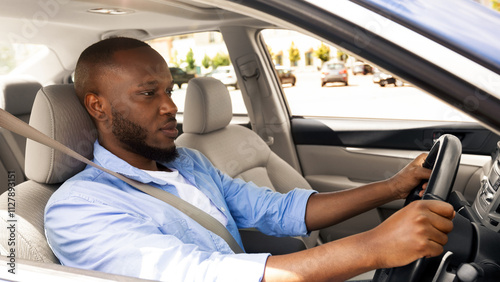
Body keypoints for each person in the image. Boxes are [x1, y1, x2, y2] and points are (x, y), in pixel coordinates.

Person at [44, 37, 455, 282]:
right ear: (98, 107)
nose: (171, 107)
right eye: (149, 93)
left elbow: (277, 209)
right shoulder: (79, 208)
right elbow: (205, 275)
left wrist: (393, 186)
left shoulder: (187, 162)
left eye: (171, 90)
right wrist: (372, 248)